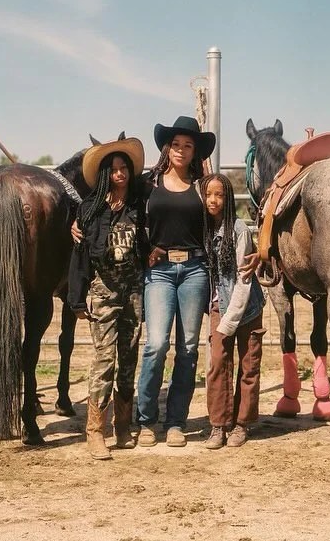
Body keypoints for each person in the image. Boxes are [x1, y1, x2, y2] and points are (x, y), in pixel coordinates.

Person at [67, 135, 149, 460]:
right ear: (105, 174)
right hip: (103, 291)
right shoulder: (90, 209)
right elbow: (79, 255)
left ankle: (124, 425)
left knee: (129, 356)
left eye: (124, 168)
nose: (120, 174)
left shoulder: (139, 202)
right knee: (104, 358)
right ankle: (95, 431)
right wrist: (76, 299)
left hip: (134, 290)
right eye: (114, 170)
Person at [137, 116, 214, 447]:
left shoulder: (202, 186)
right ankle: (145, 420)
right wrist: (78, 223)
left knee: (188, 348)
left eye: (189, 145)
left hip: (195, 269)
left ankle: (176, 422)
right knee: (155, 345)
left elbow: (223, 219)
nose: (182, 150)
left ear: (194, 152)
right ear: (167, 148)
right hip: (159, 272)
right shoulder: (147, 184)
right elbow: (119, 214)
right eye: (177, 144)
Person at [200, 174, 266, 449]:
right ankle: (218, 424)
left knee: (248, 366)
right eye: (209, 195)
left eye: (220, 195)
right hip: (219, 304)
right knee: (217, 363)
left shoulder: (238, 229)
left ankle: (241, 423)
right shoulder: (202, 228)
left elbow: (244, 279)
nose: (213, 200)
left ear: (227, 199)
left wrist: (230, 320)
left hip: (246, 307)